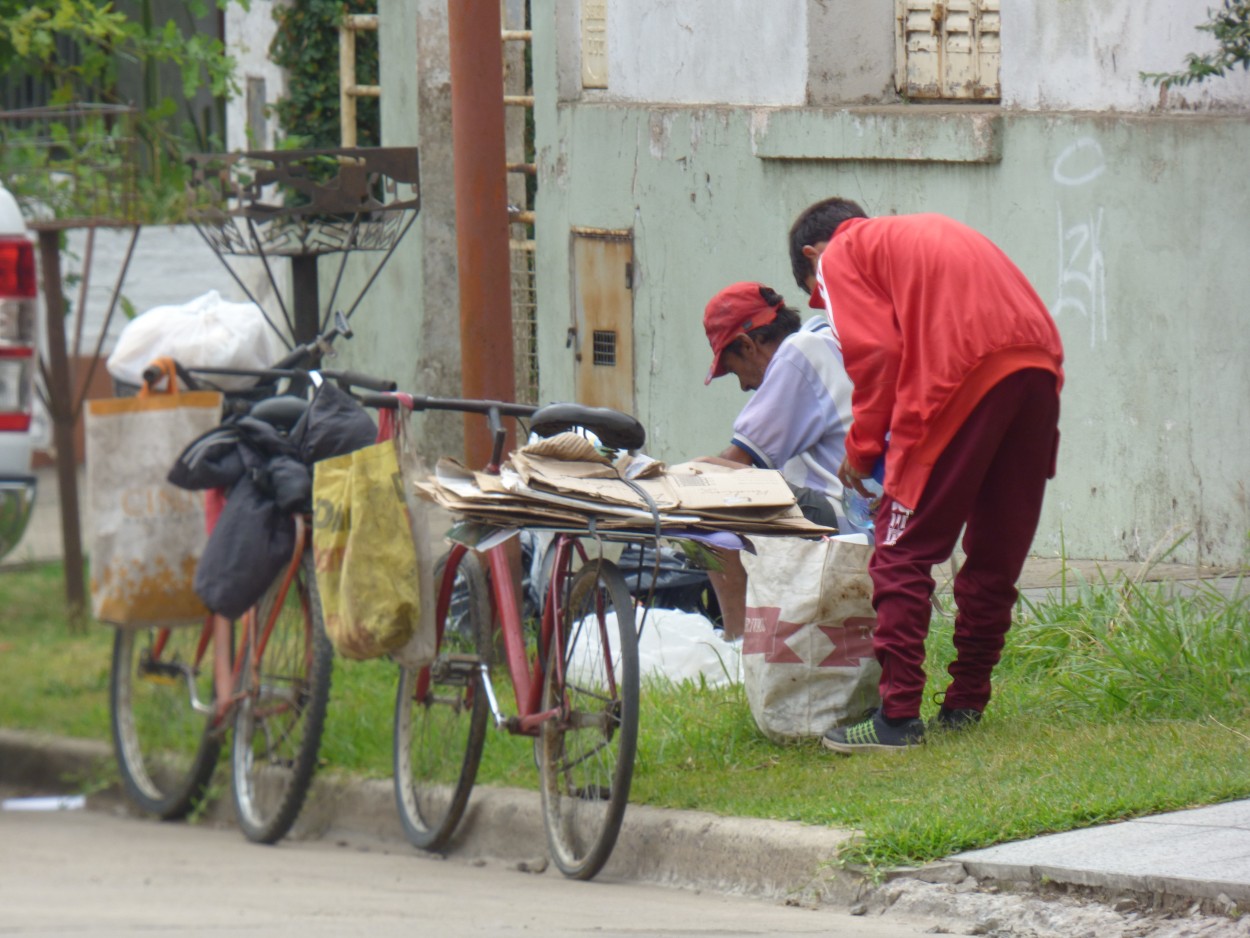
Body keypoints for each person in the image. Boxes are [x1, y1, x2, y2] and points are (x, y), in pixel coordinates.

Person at [787, 198, 1064, 753]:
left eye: (819, 296)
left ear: (812, 256)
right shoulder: (917, 236)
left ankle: (896, 719)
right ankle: (966, 702)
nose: (827, 305)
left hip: (958, 370)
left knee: (900, 549)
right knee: (994, 551)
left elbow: (879, 354)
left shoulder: (841, 254)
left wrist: (862, 450)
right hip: (1037, 364)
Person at [699, 280, 858, 638]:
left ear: (746, 344)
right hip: (868, 514)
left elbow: (736, 461)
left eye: (734, 368)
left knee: (703, 503)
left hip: (845, 516)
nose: (742, 386)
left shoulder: (799, 354)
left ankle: (738, 643)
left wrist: (663, 478)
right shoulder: (824, 338)